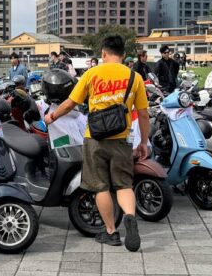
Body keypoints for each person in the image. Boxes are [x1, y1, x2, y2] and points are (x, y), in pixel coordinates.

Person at [44, 35, 150, 251]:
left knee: (101, 187)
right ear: (123, 54)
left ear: (103, 53)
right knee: (124, 185)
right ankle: (130, 216)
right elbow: (143, 114)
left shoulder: (91, 74)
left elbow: (70, 103)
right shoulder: (135, 77)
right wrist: (144, 142)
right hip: (122, 139)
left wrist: (51, 117)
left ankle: (111, 232)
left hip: (95, 139)